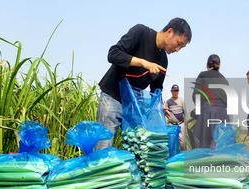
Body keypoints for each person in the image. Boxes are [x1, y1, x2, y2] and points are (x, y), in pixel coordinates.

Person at [95, 18, 192, 149]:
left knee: (137, 146)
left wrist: (159, 106)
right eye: (179, 43)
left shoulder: (163, 61)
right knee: (103, 147)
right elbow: (113, 54)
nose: (178, 49)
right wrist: (143, 63)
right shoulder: (141, 33)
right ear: (169, 32)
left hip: (132, 106)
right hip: (112, 97)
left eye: (182, 47)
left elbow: (156, 89)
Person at [190, 54, 229, 148]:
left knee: (204, 145)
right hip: (223, 114)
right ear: (219, 66)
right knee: (222, 146)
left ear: (207, 65)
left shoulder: (202, 75)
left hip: (207, 112)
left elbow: (197, 95)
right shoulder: (224, 80)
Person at [164, 84, 187, 150]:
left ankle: (183, 156)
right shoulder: (168, 102)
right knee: (173, 142)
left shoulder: (182, 100)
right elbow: (165, 113)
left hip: (181, 124)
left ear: (178, 91)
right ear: (171, 91)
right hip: (172, 125)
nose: (176, 92)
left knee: (182, 142)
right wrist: (166, 125)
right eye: (174, 91)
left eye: (177, 91)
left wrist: (186, 125)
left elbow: (185, 112)